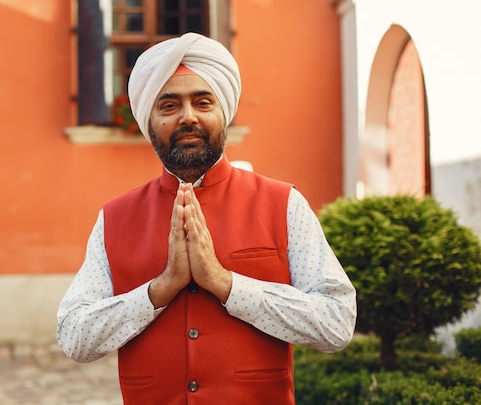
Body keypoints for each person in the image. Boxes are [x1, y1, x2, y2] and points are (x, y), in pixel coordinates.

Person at [57, 32, 356, 405]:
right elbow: (74, 336)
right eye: (169, 105)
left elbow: (336, 323)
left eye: (203, 102)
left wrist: (224, 282)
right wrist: (161, 288)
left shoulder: (284, 204)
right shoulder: (114, 217)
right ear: (148, 120)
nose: (188, 117)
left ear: (222, 112)